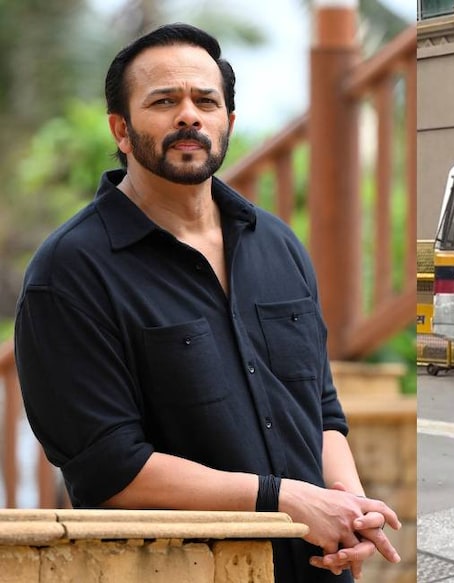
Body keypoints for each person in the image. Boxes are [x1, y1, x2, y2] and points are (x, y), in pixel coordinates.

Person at [13, 24, 399, 582]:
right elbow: (109, 468)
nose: (189, 115)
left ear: (228, 123)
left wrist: (349, 505)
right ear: (121, 130)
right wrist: (281, 499)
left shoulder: (277, 243)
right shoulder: (69, 274)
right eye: (164, 101)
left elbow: (320, 408)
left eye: (206, 101)